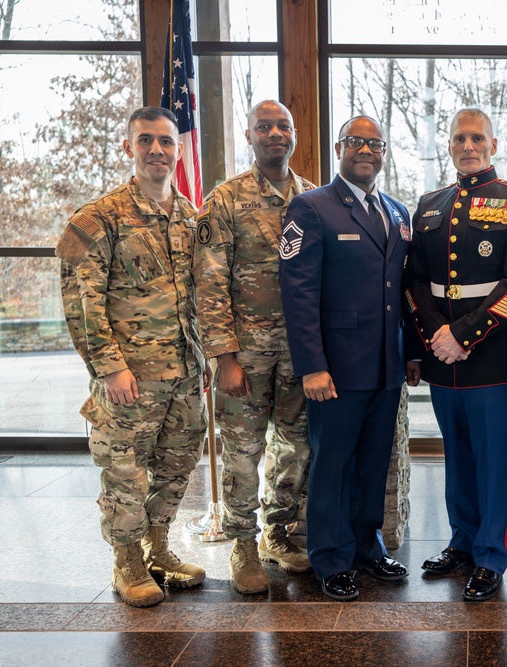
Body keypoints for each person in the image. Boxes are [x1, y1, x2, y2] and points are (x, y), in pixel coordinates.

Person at [56, 106, 208, 608]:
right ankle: (126, 561)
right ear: (129, 147)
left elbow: (197, 296)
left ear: (178, 150)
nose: (157, 150)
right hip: (130, 378)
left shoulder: (188, 216)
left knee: (177, 464)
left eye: (165, 141)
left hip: (184, 373)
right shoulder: (98, 218)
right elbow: (82, 304)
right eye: (146, 141)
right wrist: (109, 367)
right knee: (125, 471)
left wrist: (203, 359)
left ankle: (157, 546)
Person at [403, 108, 507, 602]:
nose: (468, 145)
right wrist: (434, 336)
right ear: (449, 145)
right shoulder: (428, 204)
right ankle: (462, 542)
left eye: (477, 137)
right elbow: (415, 280)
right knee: (456, 455)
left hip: (490, 354)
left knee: (492, 460)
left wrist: (464, 334)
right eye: (460, 137)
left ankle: (490, 556)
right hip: (442, 354)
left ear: (493, 143)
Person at [278, 115, 411, 601]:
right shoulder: (310, 208)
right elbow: (297, 293)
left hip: (384, 366)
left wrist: (409, 356)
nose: (366, 150)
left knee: (374, 462)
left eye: (375, 143)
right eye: (357, 141)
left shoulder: (397, 212)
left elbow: (404, 293)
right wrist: (312, 364)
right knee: (333, 463)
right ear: (339, 148)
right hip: (334, 369)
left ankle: (366, 547)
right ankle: (330, 558)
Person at [193, 100, 315, 595]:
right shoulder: (224, 200)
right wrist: (223, 356)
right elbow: (209, 282)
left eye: (283, 125)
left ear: (293, 135)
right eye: (264, 127)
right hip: (245, 354)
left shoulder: (312, 197)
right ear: (249, 136)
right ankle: (243, 545)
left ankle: (277, 534)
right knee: (243, 452)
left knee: (295, 446)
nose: (274, 134)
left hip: (301, 352)